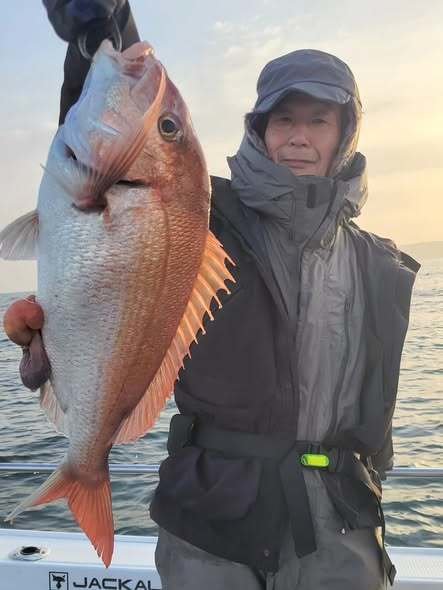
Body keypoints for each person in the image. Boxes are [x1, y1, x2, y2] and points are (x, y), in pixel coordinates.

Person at [4, 2, 420, 589]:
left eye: (319, 120)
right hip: (211, 520)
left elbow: (377, 412)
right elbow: (125, 137)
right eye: (283, 119)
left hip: (341, 527)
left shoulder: (383, 264)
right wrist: (102, 24)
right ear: (259, 130)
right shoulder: (205, 215)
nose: (299, 136)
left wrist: (369, 490)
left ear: (345, 134)